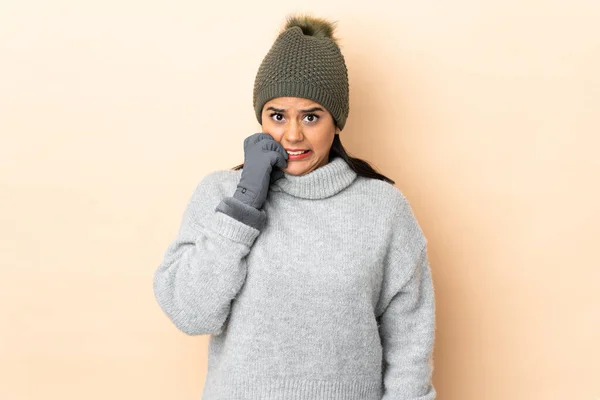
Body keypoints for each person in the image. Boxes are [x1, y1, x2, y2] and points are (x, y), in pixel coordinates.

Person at [153, 13, 437, 400]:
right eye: (277, 116)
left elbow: (409, 346)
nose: (292, 134)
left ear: (336, 121)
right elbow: (190, 312)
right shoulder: (220, 192)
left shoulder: (383, 209)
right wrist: (242, 208)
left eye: (310, 116)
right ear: (261, 119)